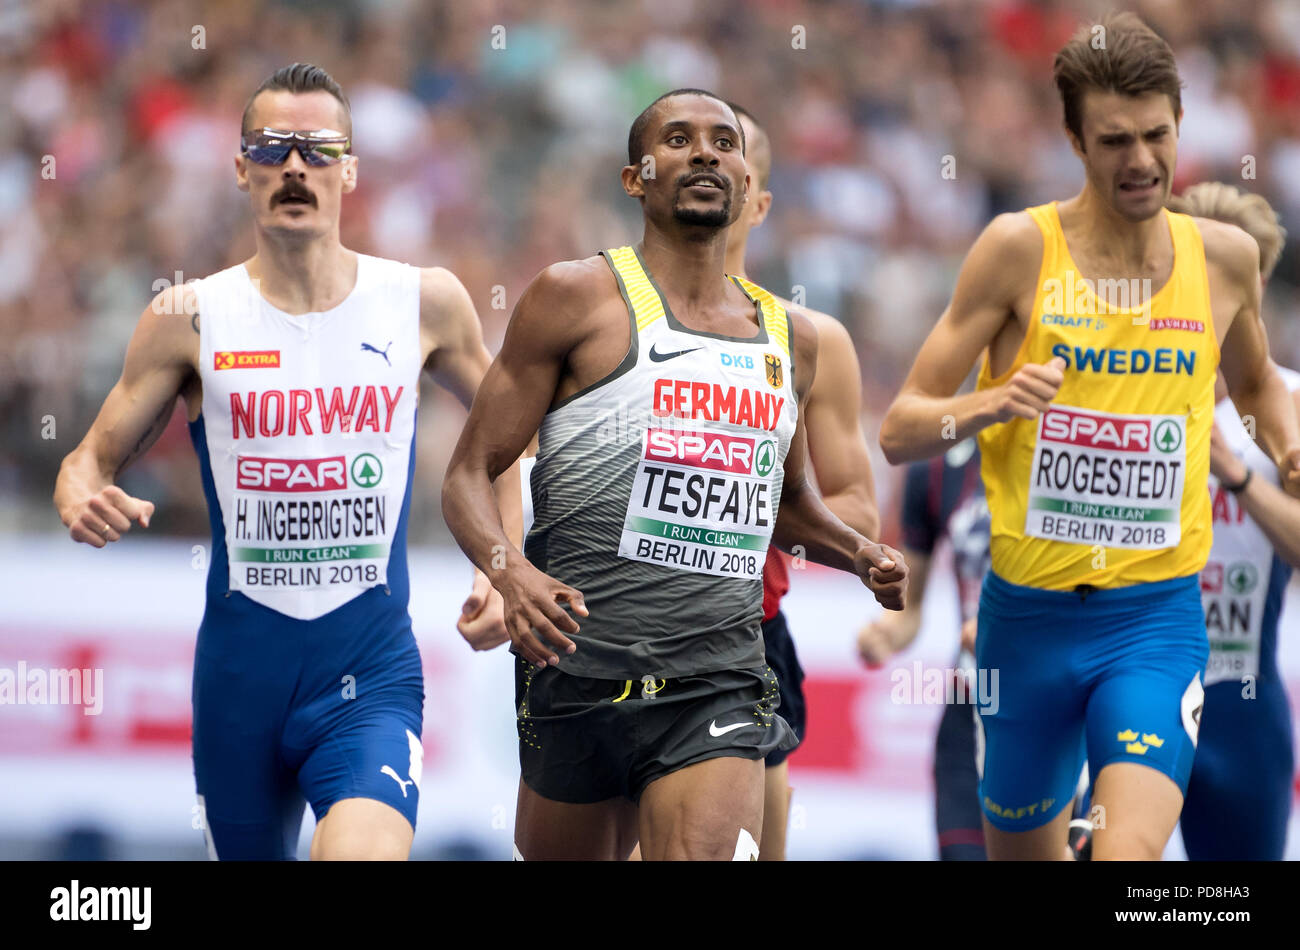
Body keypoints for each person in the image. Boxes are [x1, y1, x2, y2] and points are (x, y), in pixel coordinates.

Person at [53, 63, 515, 860]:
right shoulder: (187, 316)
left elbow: (511, 430)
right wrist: (81, 491)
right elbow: (87, 460)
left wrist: (506, 560)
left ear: (350, 169)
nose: (294, 166)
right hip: (240, 684)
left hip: (370, 675)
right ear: (241, 168)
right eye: (271, 149)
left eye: (316, 148)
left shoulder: (424, 301)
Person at [441, 88, 907, 861]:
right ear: (636, 178)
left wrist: (858, 554)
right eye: (680, 139)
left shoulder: (789, 340)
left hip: (717, 671)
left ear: (749, 185)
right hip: (578, 662)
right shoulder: (574, 297)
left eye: (724, 142)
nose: (704, 153)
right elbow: (468, 473)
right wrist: (511, 573)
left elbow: (787, 506)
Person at [878, 14, 1300, 860]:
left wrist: (1286, 448)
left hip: (1154, 621)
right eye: (1114, 141)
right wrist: (993, 403)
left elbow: (1254, 383)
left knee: (1124, 856)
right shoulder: (1016, 250)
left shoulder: (1221, 260)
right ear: (1074, 139)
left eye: (1156, 136)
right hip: (1024, 626)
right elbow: (900, 428)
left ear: (1182, 124)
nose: (1140, 161)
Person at [720, 103, 880, 861]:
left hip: (749, 635)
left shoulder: (809, 341)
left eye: (732, 160)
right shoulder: (600, 317)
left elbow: (856, 511)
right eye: (688, 153)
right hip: (623, 631)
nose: (709, 171)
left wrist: (750, 506)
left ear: (760, 201)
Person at [1166, 183, 1298, 860]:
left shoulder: (1288, 406)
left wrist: (1236, 473)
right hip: (1137, 687)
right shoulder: (1132, 385)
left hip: (1244, 705)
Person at [857, 438, 989, 860]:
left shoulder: (1079, 451)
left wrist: (1010, 632)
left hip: (1059, 708)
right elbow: (911, 610)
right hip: (971, 706)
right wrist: (886, 632)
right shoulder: (940, 468)